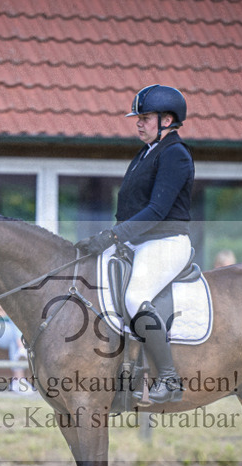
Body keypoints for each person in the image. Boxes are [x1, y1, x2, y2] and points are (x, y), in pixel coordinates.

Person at [75, 84, 194, 403]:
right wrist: (103, 239)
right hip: (139, 241)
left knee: (135, 297)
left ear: (167, 121)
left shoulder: (175, 155)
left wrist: (112, 236)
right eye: (137, 118)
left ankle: (168, 378)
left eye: (145, 117)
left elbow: (156, 210)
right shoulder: (146, 153)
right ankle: (119, 377)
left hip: (166, 241)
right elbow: (131, 207)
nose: (138, 123)